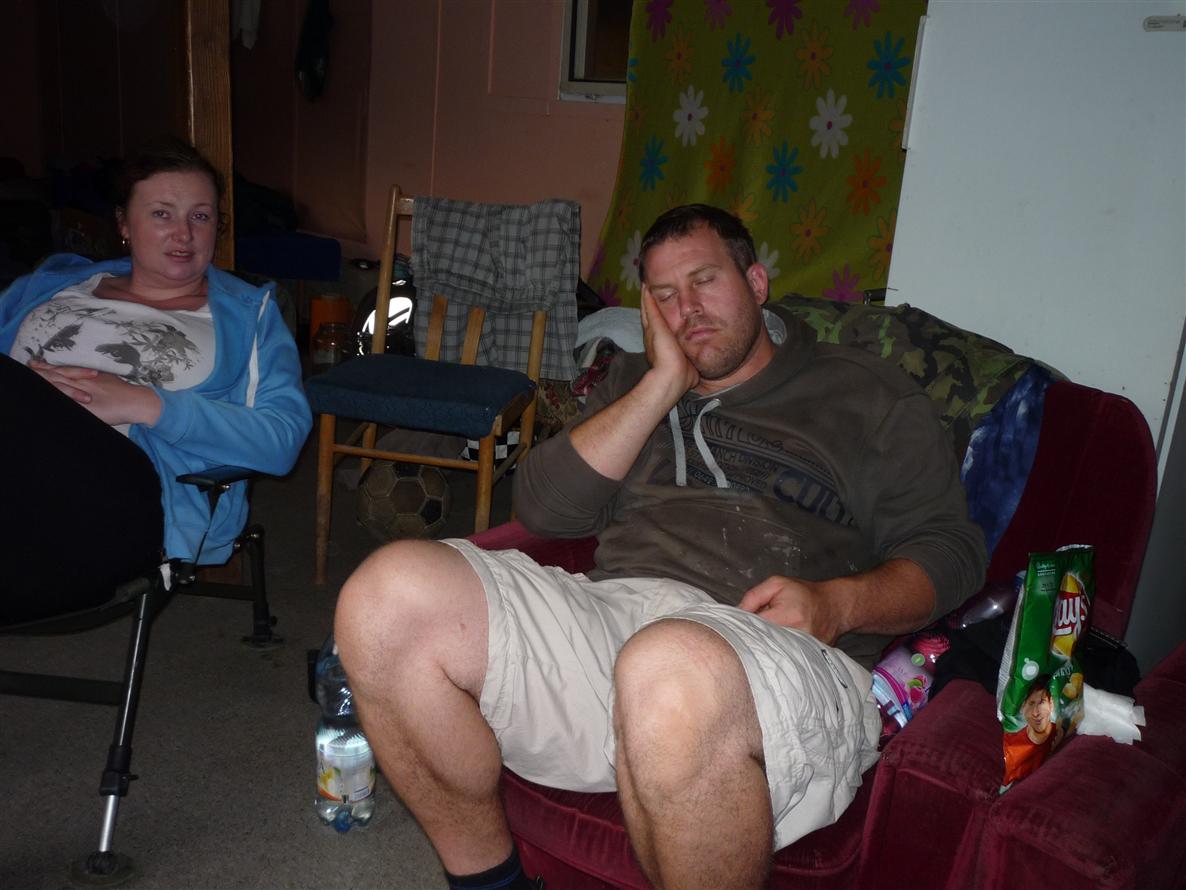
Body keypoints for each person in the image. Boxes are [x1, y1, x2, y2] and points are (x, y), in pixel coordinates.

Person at [334, 204, 986, 890]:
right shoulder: (633, 383)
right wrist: (661, 385)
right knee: (383, 599)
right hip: (613, 615)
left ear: (756, 282)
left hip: (776, 645)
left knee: (669, 666)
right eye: (665, 296)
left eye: (705, 281)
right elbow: (544, 509)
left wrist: (837, 604)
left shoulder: (866, 394)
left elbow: (952, 553)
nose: (688, 310)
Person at [0, 137, 311, 624]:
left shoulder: (246, 315)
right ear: (124, 223)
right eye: (162, 214)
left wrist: (145, 404)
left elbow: (282, 438)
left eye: (201, 216)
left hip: (117, 502)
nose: (184, 234)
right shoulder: (52, 285)